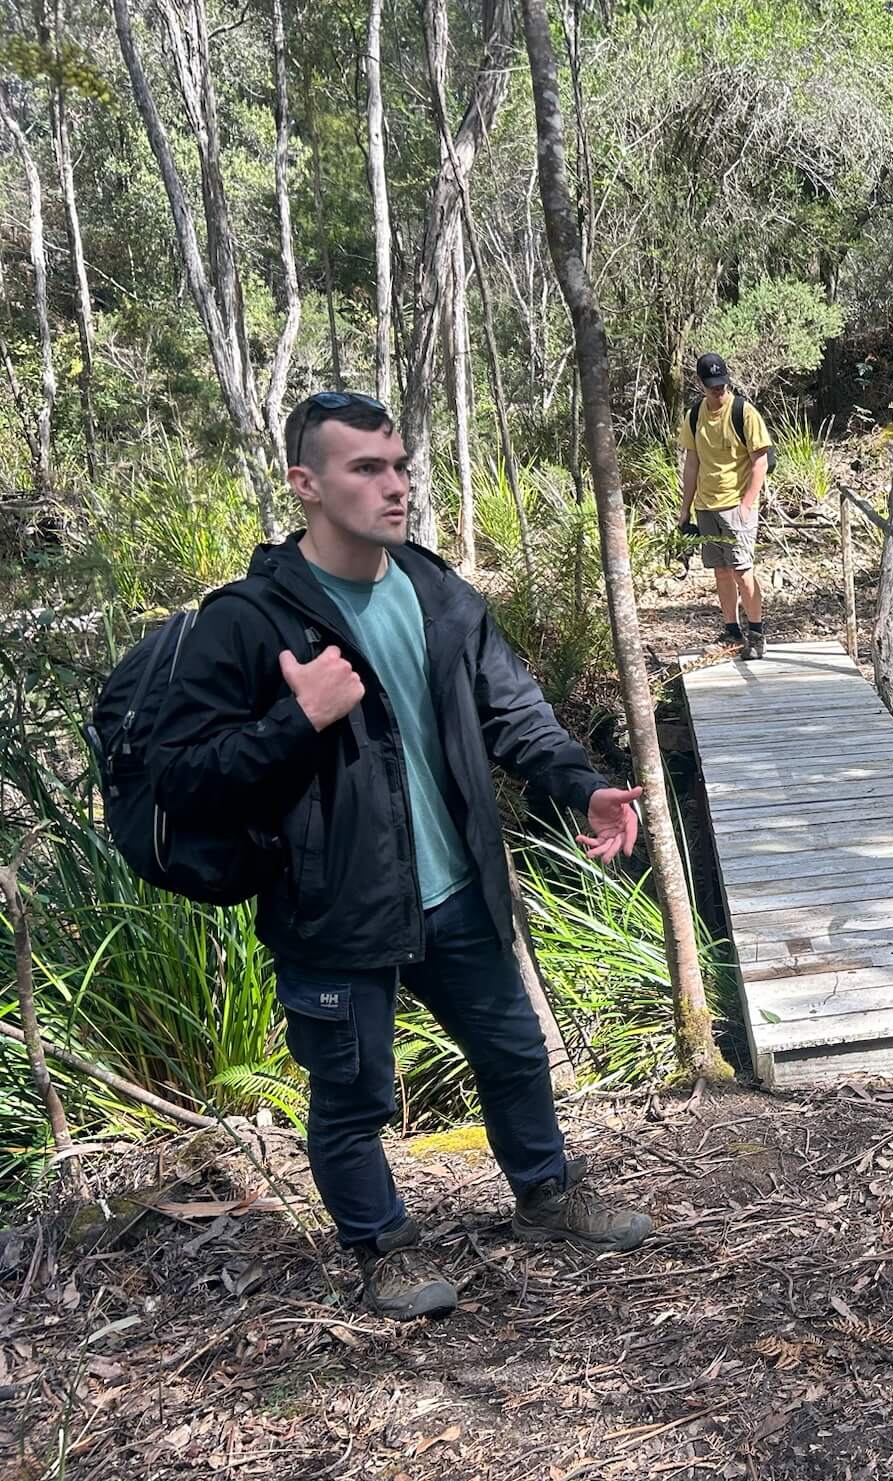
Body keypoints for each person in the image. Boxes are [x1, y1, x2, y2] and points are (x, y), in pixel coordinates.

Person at [151, 390, 655, 1322]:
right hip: (335, 907)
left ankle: (545, 1195)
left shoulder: (435, 591)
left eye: (401, 466)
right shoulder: (250, 624)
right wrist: (296, 719)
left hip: (455, 886)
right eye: (367, 469)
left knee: (512, 1051)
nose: (397, 487)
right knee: (352, 1096)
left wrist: (581, 785)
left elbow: (513, 714)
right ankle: (379, 1249)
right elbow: (183, 775)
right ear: (306, 484)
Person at [680, 352, 774, 659]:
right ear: (701, 384)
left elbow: (760, 460)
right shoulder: (694, 416)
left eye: (722, 385)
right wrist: (685, 510)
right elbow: (692, 463)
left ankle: (757, 633)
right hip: (706, 506)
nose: (718, 391)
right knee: (720, 571)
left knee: (742, 570)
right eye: (712, 386)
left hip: (736, 505)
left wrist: (747, 504)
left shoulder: (743, 412)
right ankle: (732, 632)